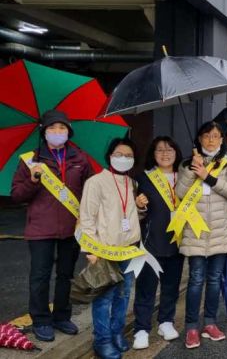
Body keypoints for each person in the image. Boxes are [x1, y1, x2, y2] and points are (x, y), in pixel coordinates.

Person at [11, 110, 93, 342]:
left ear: (69, 132)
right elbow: (17, 195)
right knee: (40, 276)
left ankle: (61, 316)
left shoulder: (81, 158)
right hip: (40, 229)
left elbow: (90, 192)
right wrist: (33, 180)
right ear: (43, 132)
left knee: (66, 275)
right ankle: (41, 320)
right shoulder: (30, 161)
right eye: (52, 129)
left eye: (62, 128)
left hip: (71, 227)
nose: (57, 133)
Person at [175, 121, 227, 349]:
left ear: (222, 140)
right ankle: (192, 326)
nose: (211, 140)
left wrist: (208, 176)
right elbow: (180, 194)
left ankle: (210, 323)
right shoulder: (187, 164)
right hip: (195, 231)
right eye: (207, 136)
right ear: (199, 139)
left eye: (216, 136)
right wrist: (194, 171)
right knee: (195, 280)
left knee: (214, 280)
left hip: (221, 232)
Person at [79, 137, 146, 359]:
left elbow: (132, 215)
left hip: (128, 248)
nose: (124, 159)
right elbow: (86, 219)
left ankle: (117, 333)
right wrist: (91, 250)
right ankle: (103, 340)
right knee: (104, 297)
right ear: (109, 156)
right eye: (119, 154)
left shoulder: (132, 183)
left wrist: (140, 208)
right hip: (104, 249)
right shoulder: (95, 182)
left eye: (128, 156)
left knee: (124, 294)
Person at [132, 137, 184, 350]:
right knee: (146, 287)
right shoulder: (143, 178)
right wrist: (139, 206)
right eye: (160, 150)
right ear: (152, 154)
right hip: (150, 242)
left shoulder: (184, 176)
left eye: (169, 149)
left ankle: (165, 321)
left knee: (171, 285)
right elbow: (133, 212)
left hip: (177, 240)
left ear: (176, 152)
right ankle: (141, 328)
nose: (165, 153)